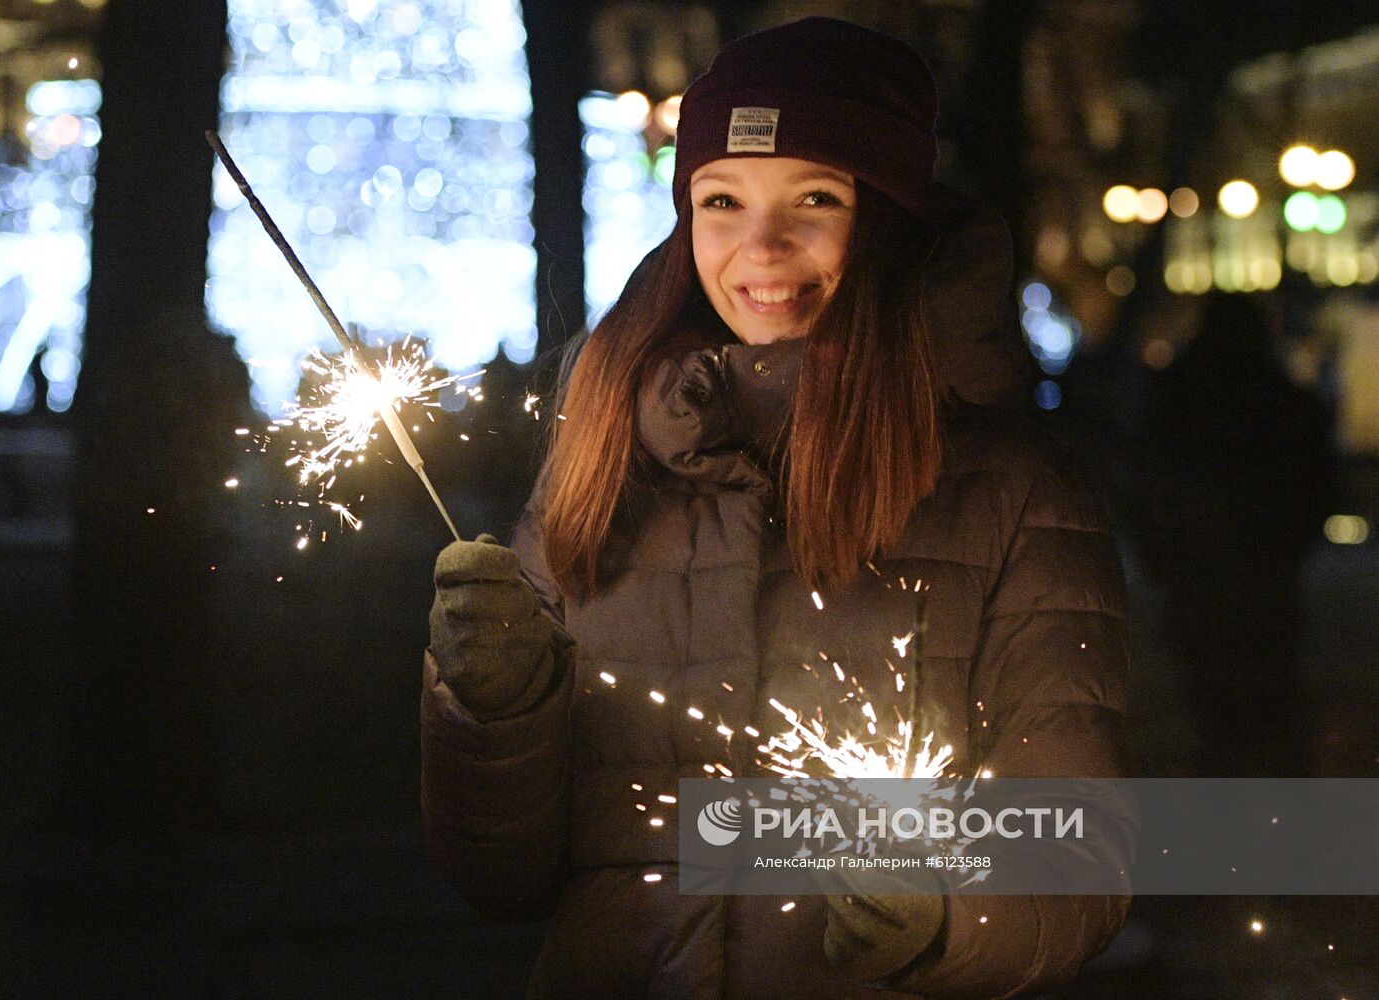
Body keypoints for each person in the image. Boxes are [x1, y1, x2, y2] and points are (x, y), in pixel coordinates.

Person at [422, 17, 1130, 998]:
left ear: (883, 220)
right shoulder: (603, 464)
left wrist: (945, 921)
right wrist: (493, 709)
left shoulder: (1010, 496)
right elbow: (501, 875)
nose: (760, 243)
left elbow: (1073, 847)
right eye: (720, 199)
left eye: (814, 196)